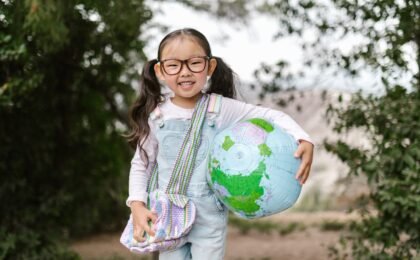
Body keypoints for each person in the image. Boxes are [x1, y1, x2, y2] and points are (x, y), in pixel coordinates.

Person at [126, 28, 314, 260]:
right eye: (174, 65)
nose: (184, 72)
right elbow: (141, 164)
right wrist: (137, 204)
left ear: (210, 67)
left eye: (194, 63)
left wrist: (303, 137)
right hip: (169, 218)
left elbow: (269, 116)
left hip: (209, 221)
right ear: (160, 71)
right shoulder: (157, 115)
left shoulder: (220, 108)